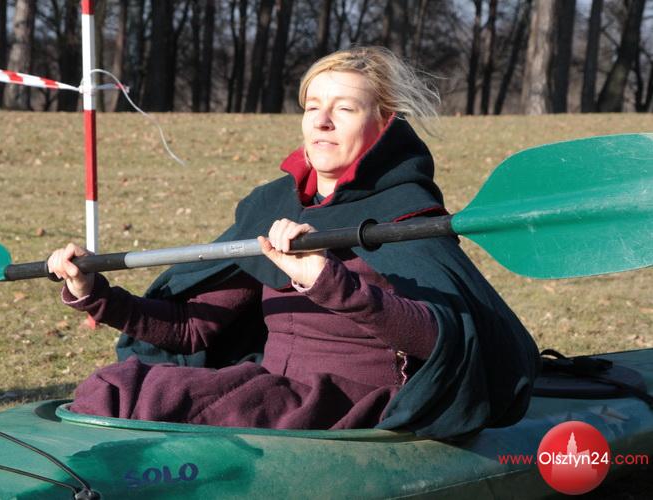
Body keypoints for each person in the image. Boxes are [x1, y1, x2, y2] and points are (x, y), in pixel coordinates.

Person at [48, 46, 540, 439]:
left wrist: (327, 281)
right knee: (114, 386)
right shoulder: (275, 207)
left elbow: (439, 339)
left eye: (344, 109)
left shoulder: (404, 214)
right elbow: (194, 330)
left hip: (355, 404)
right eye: (312, 107)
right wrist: (96, 294)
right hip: (276, 389)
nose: (322, 121)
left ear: (384, 123)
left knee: (141, 396)